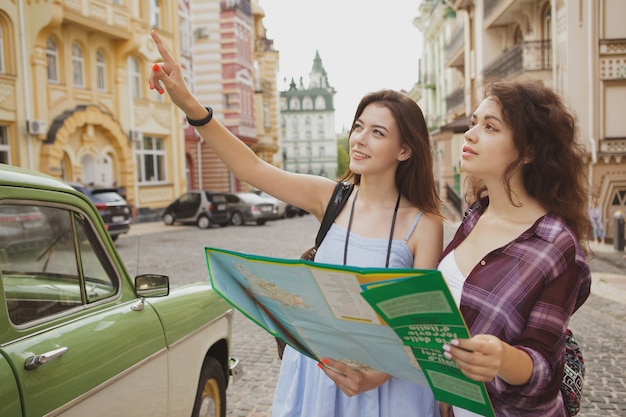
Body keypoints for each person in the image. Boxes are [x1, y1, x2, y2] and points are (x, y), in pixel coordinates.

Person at [149, 30, 444, 417]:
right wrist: (187, 101)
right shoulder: (331, 197)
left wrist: (376, 376)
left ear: (405, 150)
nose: (360, 140)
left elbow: (419, 327)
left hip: (387, 387)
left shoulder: (424, 224)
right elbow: (250, 167)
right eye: (358, 126)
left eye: (377, 133)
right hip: (318, 373)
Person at [437, 80, 591, 417]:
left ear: (528, 151)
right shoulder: (475, 217)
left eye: (490, 127)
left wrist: (503, 359)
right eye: (474, 122)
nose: (470, 134)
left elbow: (544, 369)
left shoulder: (555, 246)